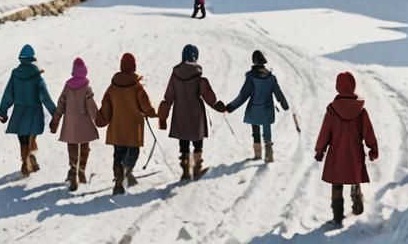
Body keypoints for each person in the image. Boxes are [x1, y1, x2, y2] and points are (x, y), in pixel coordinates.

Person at [314, 71, 378, 227]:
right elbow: (368, 131)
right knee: (354, 177)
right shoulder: (361, 110)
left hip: (337, 154)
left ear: (338, 87)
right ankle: (357, 198)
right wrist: (373, 148)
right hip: (355, 153)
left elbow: (325, 133)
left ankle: (337, 216)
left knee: (337, 184)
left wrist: (320, 150)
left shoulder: (332, 110)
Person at [157, 44, 225, 181]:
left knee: (184, 142)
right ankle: (197, 169)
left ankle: (185, 171)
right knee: (197, 141)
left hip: (180, 112)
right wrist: (217, 105)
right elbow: (207, 96)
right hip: (196, 114)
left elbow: (168, 97)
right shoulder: (198, 75)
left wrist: (162, 118)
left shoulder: (175, 74)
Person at [96, 52, 158, 195]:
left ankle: (119, 181)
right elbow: (145, 105)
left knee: (118, 155)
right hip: (133, 129)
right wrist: (152, 113)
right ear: (133, 67)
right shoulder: (137, 87)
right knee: (133, 152)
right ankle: (127, 171)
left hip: (117, 129)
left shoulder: (112, 88)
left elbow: (106, 109)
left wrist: (101, 119)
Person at [0, 44, 57, 176]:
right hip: (34, 113)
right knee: (32, 136)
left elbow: (8, 94)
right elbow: (45, 97)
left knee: (23, 140)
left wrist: (3, 112)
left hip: (20, 113)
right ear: (33, 58)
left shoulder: (15, 74)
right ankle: (31, 156)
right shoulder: (37, 75)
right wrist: (55, 113)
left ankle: (26, 161)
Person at [224, 49, 289, 162]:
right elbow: (278, 93)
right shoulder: (271, 78)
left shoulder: (251, 77)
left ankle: (258, 155)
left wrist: (230, 107)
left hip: (254, 108)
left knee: (256, 130)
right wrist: (285, 105)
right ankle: (269, 154)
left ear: (254, 62)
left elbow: (243, 96)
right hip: (267, 109)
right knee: (267, 128)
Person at [50, 57, 100, 191]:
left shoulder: (68, 87)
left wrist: (56, 118)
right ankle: (81, 171)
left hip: (70, 124)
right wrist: (98, 119)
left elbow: (61, 103)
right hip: (84, 124)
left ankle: (73, 171)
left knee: (72, 148)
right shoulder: (86, 87)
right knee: (84, 147)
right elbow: (91, 106)